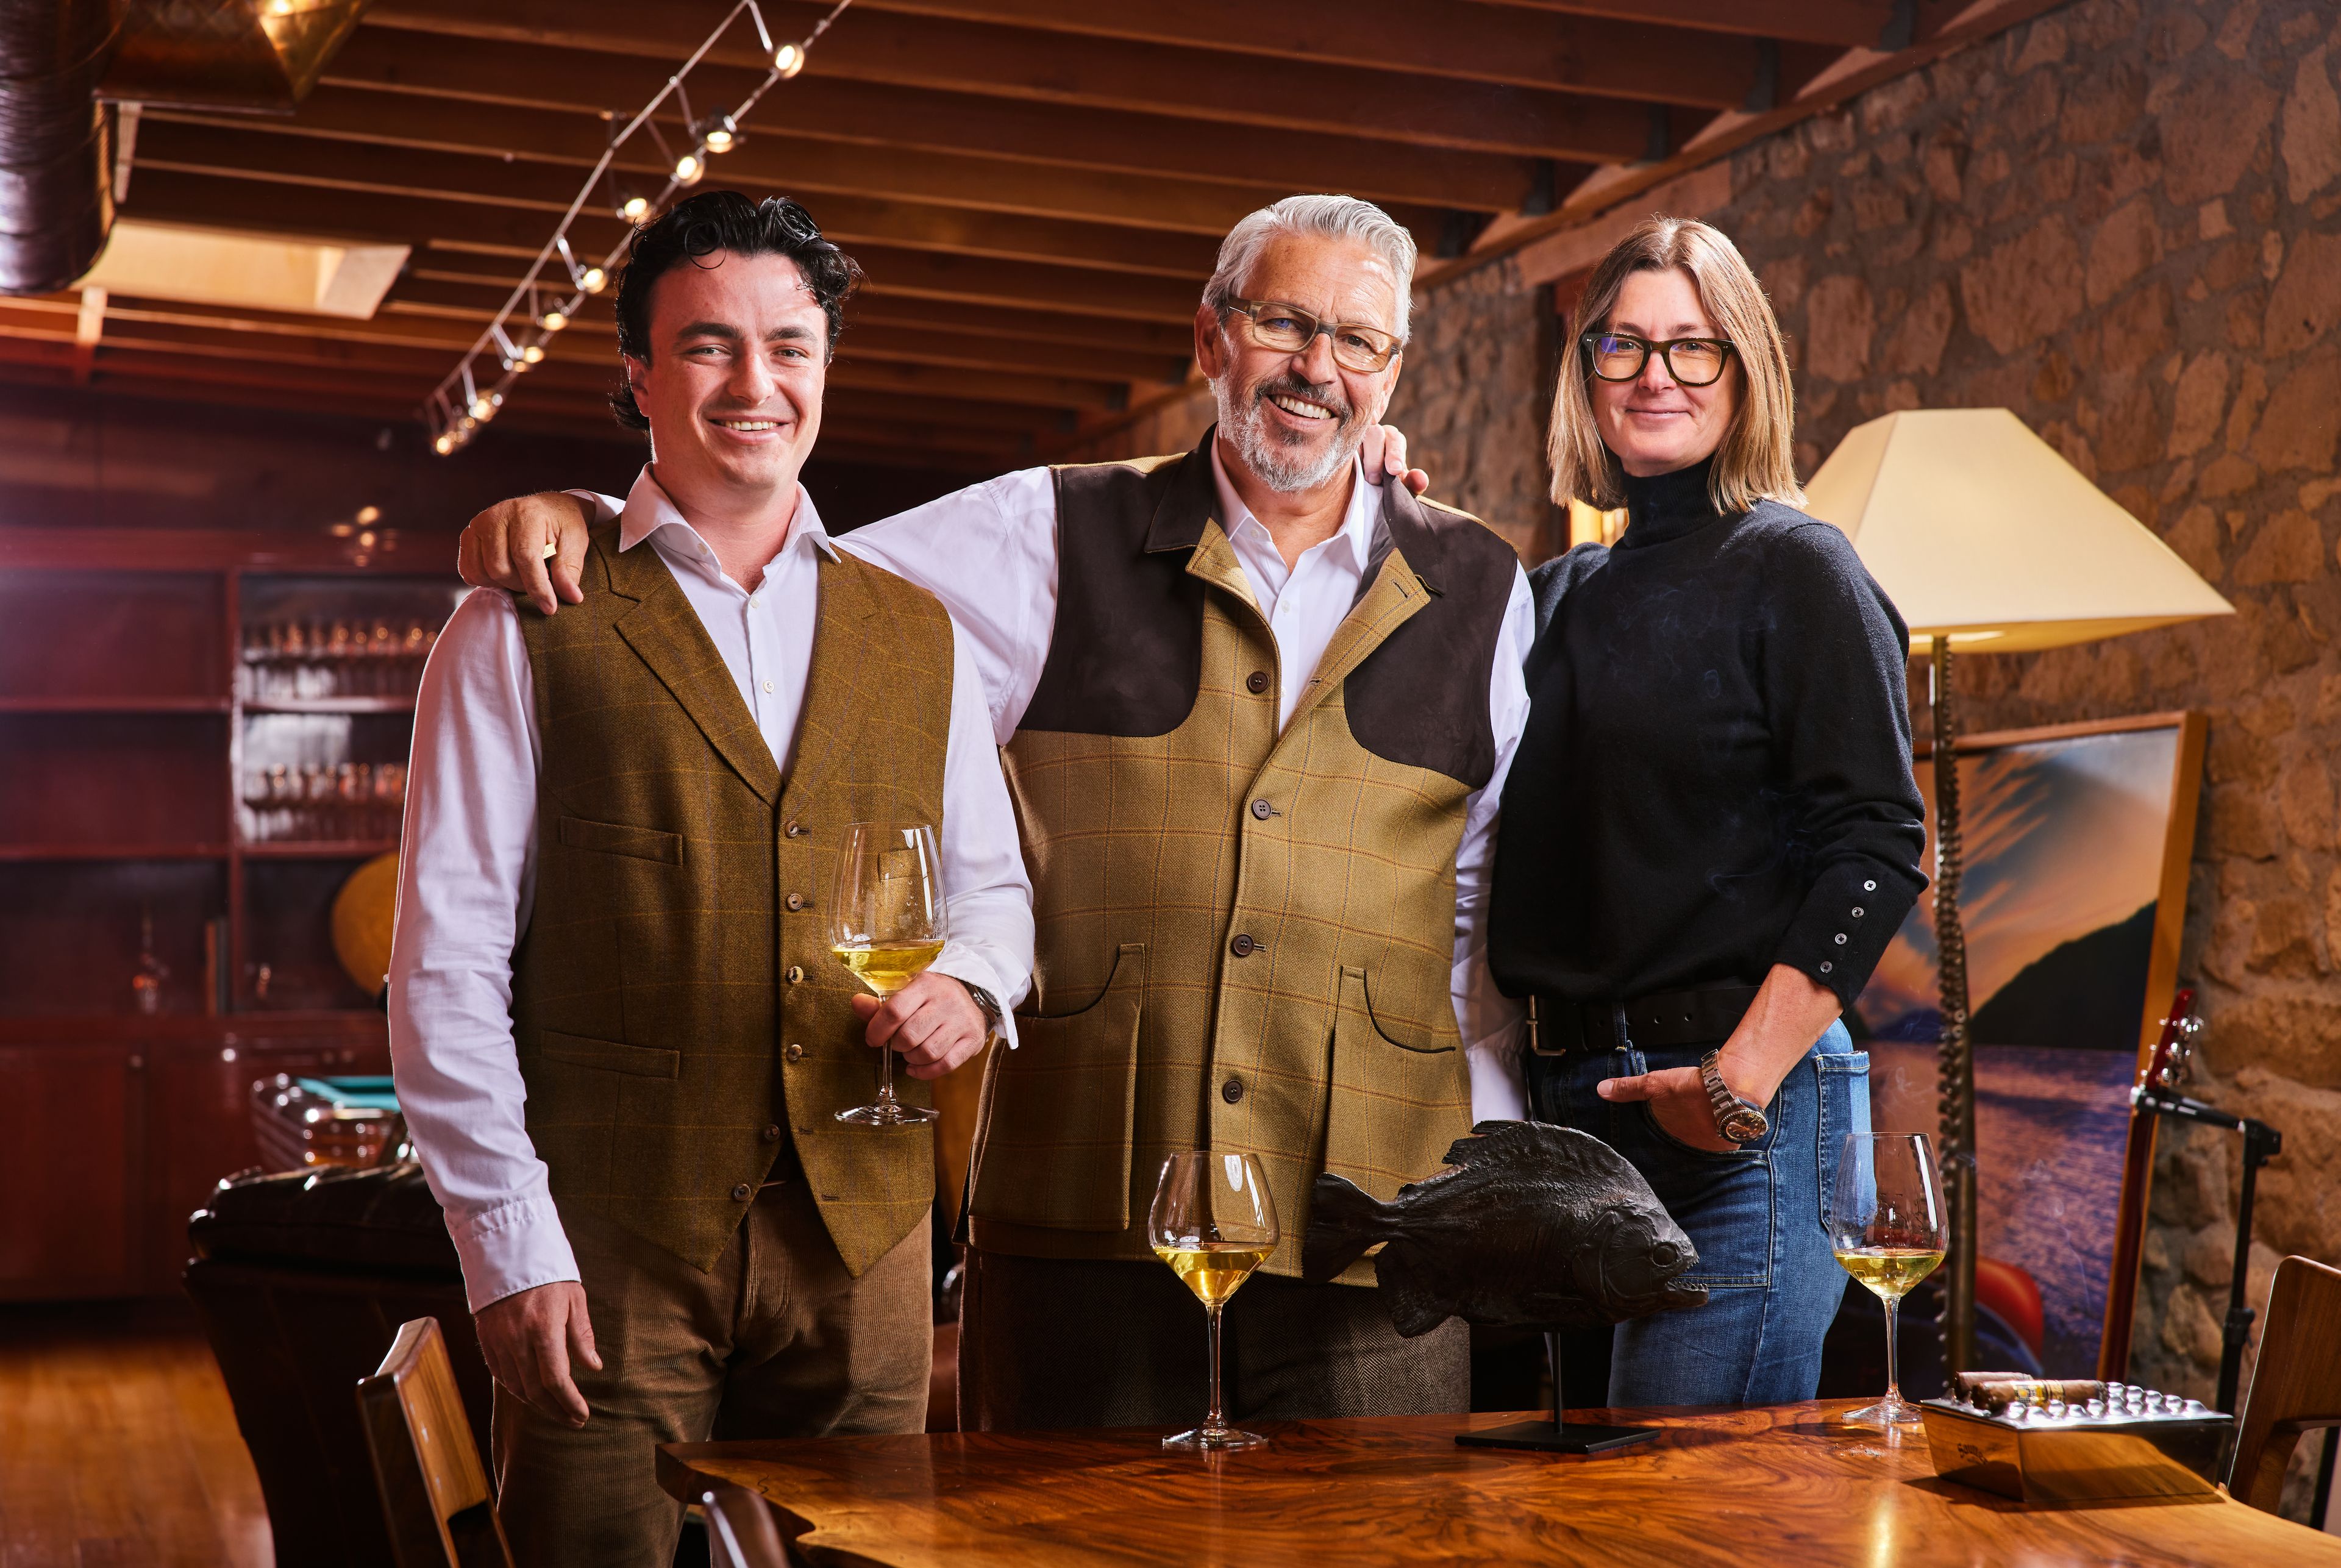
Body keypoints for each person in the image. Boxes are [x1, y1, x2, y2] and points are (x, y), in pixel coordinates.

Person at [455, 193, 1535, 1431]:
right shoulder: (1044, 530)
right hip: (1081, 1227)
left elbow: (1475, 904)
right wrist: (587, 519)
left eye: (1358, 341)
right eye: (1284, 322)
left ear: (1392, 372)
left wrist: (1463, 1179)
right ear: (1210, 336)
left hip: (1371, 1241)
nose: (1316, 367)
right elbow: (753, 565)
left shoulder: (1484, 583)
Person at [388, 191, 1034, 1566]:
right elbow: (444, 965)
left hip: (864, 1247)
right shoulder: (518, 627)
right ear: (637, 375)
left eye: (790, 346)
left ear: (824, 366)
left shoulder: (918, 630)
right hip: (605, 1249)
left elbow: (994, 891)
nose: (757, 384)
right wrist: (509, 1242)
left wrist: (971, 983)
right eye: (708, 347)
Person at [1487, 215, 1927, 1407]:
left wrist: (1734, 1081)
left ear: (1747, 370)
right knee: (1574, 1516)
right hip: (1561, 1120)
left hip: (1735, 1116)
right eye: (1622, 346)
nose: (1654, 376)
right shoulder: (1554, 597)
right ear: (1585, 376)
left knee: (1685, 1517)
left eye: (1693, 347)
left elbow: (1880, 845)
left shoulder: (1800, 567)